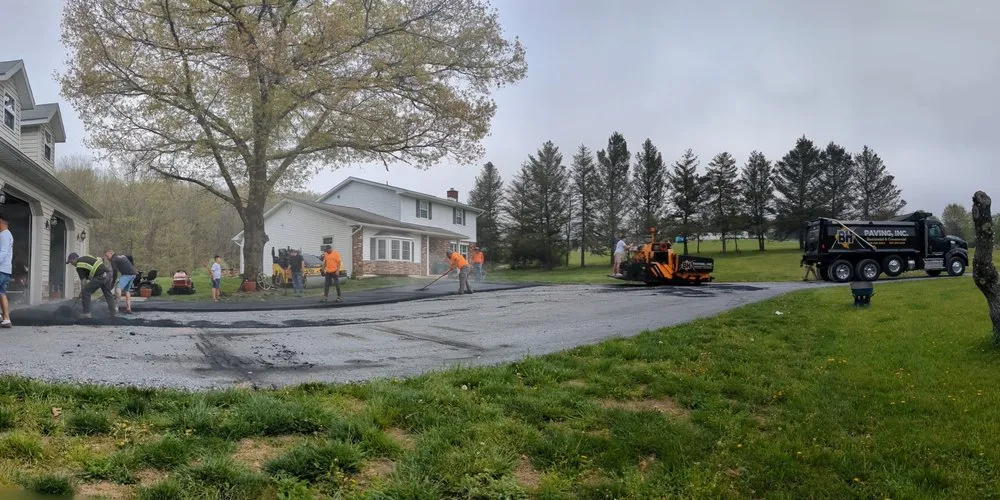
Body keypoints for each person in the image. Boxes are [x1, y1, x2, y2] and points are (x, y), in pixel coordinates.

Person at [66, 252, 117, 319]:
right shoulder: (86, 257)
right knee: (108, 293)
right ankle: (113, 312)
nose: (72, 264)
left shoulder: (79, 265)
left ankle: (86, 313)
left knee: (86, 292)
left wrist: (82, 291)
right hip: (107, 274)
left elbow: (83, 281)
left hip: (100, 276)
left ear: (75, 259)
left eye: (71, 261)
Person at [104, 249, 136, 314]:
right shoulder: (120, 256)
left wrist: (113, 283)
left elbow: (115, 272)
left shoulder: (113, 259)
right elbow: (130, 258)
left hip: (127, 274)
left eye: (107, 256)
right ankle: (128, 308)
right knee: (127, 291)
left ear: (111, 253)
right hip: (133, 274)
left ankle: (116, 308)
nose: (107, 258)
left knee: (118, 289)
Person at [0, 214, 12, 328]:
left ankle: (4, 317)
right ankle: (6, 319)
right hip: (6, 269)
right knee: (2, 293)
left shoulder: (4, 235)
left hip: (1, 268)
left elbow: (3, 252)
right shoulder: (8, 234)